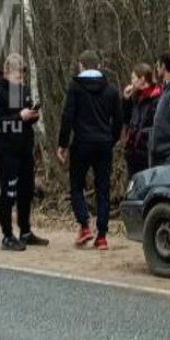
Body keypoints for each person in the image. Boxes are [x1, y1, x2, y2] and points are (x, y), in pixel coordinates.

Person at [56, 50, 122, 251]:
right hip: (103, 144)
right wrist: (111, 140)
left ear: (81, 66)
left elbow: (67, 117)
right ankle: (101, 236)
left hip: (82, 143)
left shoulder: (76, 88)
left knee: (76, 185)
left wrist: (63, 144)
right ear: (99, 66)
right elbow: (118, 120)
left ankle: (84, 225)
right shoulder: (111, 90)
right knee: (103, 188)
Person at [0, 54, 48, 251]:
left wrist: (32, 115)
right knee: (9, 192)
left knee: (26, 191)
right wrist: (19, 117)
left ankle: (25, 231)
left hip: (25, 148)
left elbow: (27, 117)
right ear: (6, 74)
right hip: (7, 149)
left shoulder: (23, 90)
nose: (21, 82)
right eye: (17, 78)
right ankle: (6, 235)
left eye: (23, 78)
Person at [121, 62, 161, 180]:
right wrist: (126, 100)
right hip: (133, 150)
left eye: (133, 78)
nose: (131, 81)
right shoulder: (136, 97)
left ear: (142, 79)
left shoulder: (156, 98)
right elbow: (126, 119)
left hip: (147, 151)